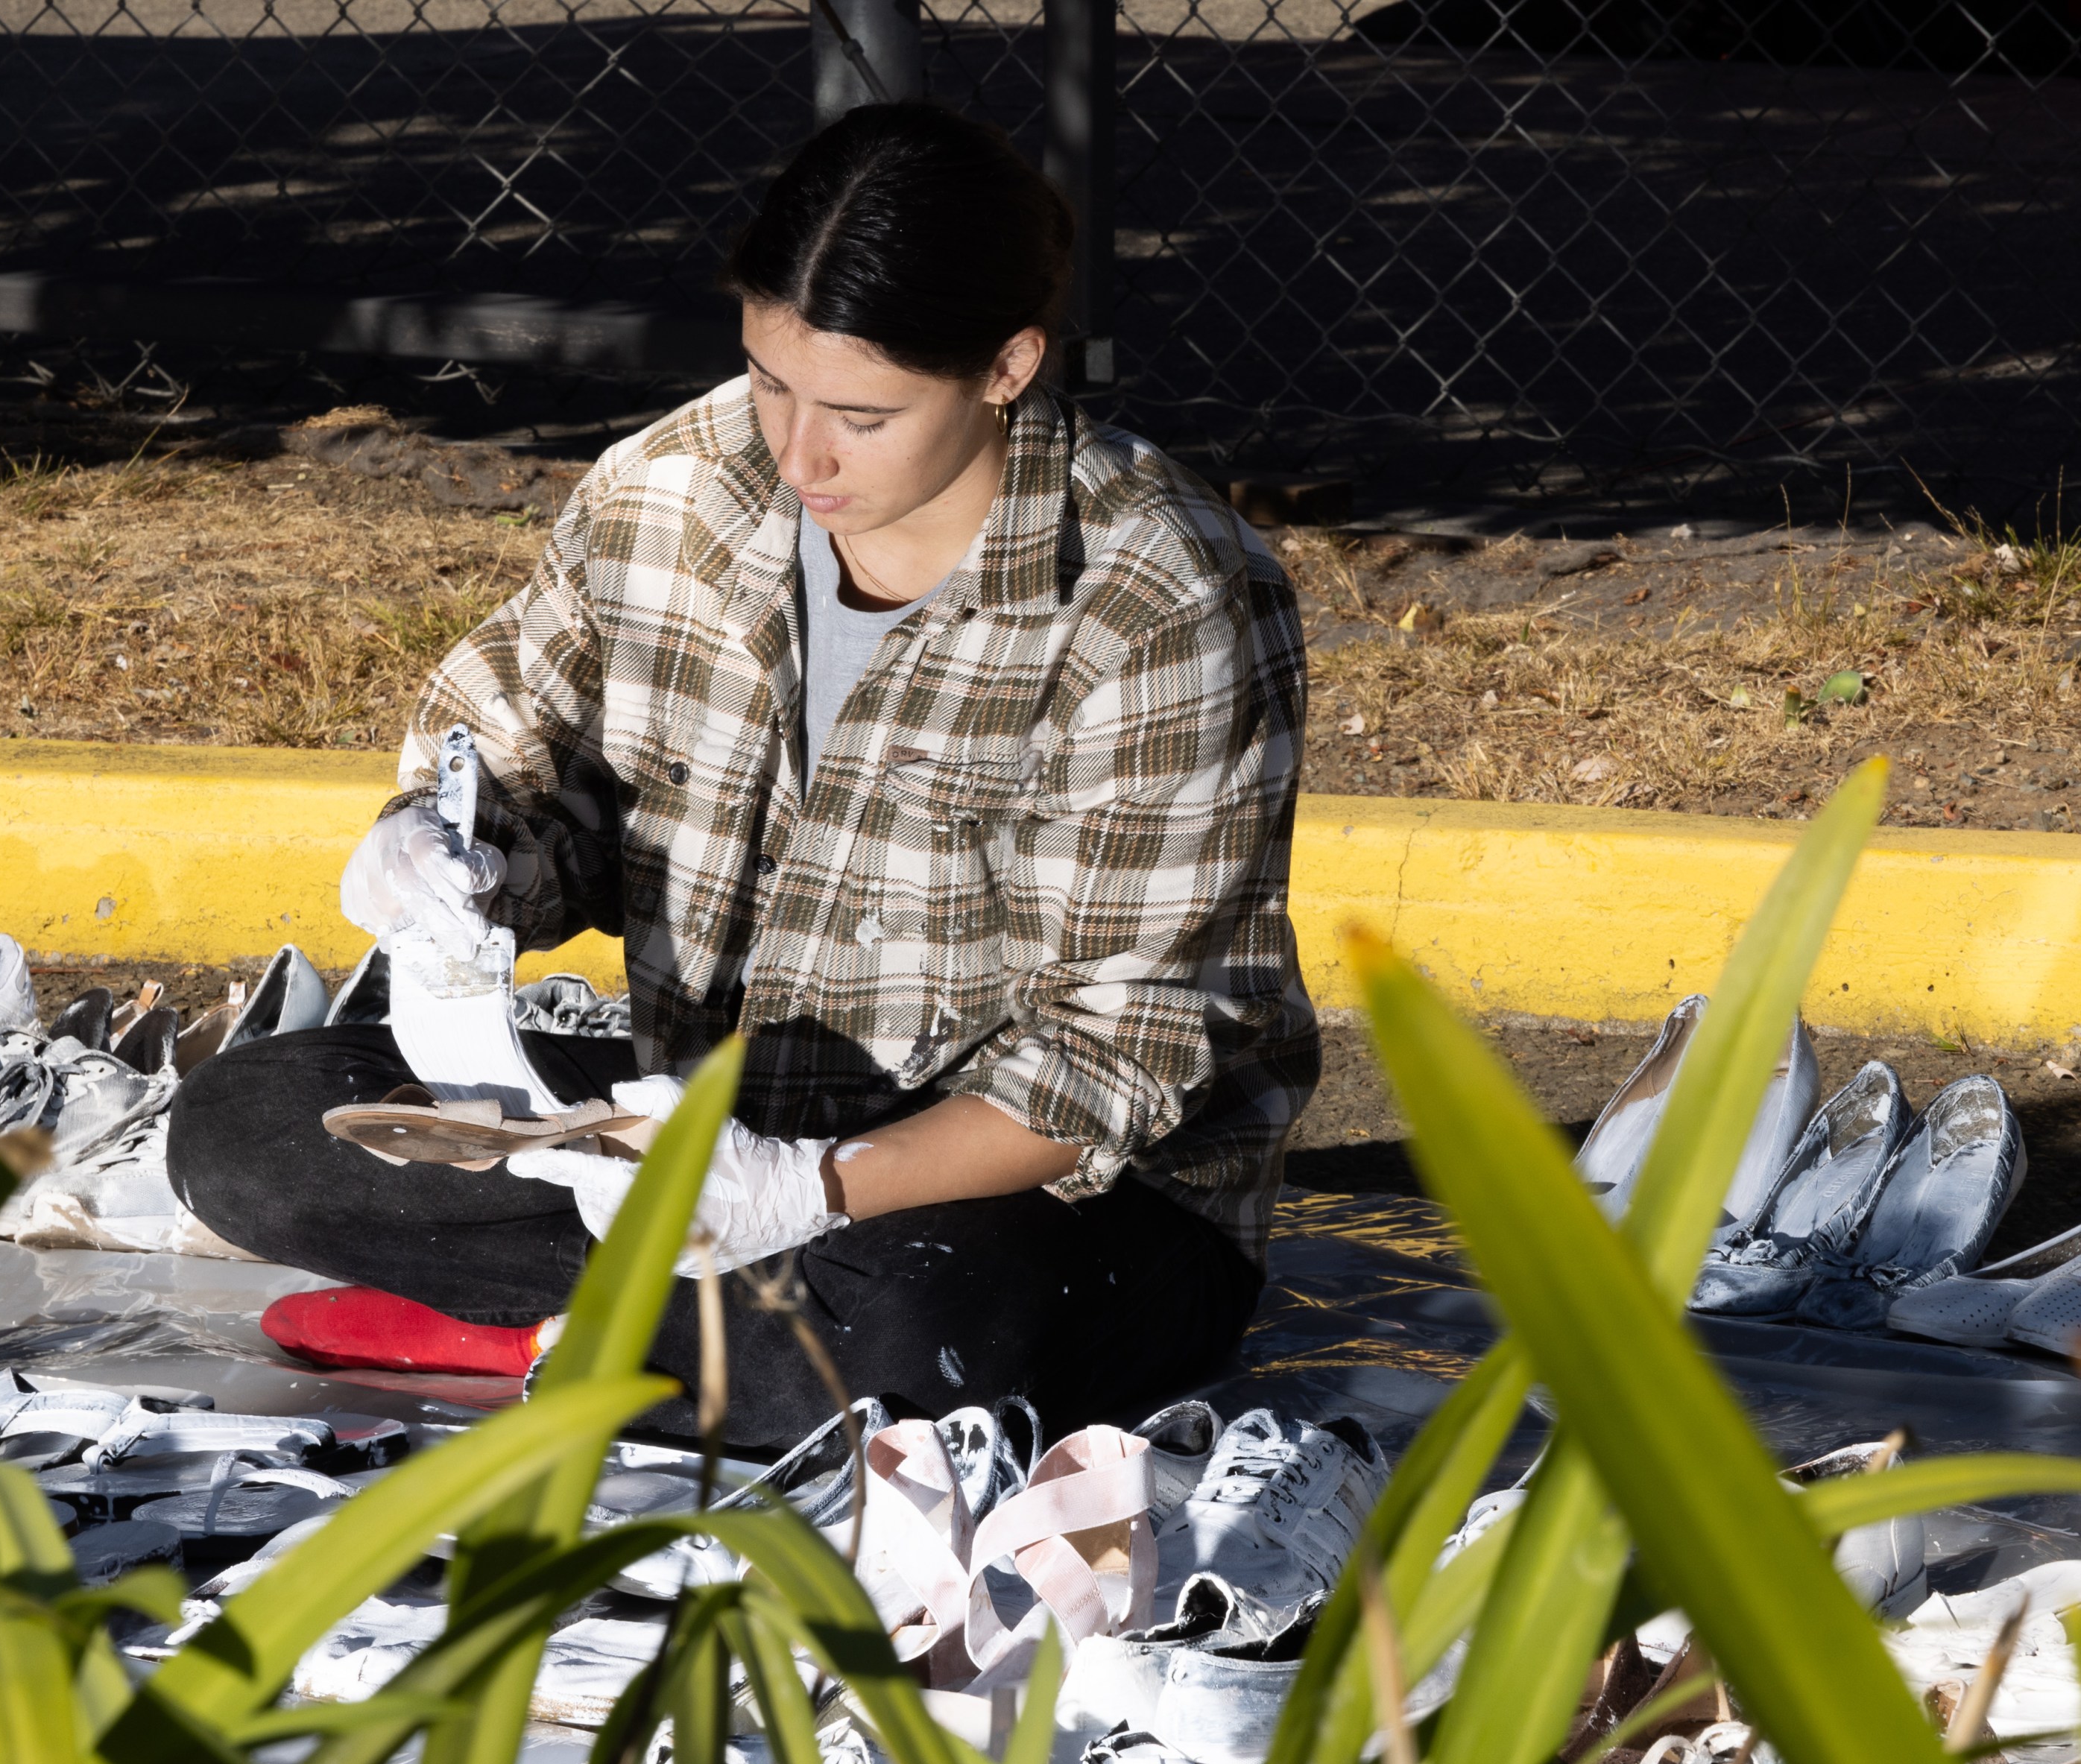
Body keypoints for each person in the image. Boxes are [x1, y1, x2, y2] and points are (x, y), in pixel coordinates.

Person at [165, 99, 1316, 1452]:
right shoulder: (670, 488)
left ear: (1008, 366)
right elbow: (540, 768)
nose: (798, 453)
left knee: (924, 1325)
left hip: (1035, 1198)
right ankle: (685, 1336)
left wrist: (815, 1185)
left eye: (864, 414)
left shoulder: (1157, 593)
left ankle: (577, 1330)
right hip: (698, 1128)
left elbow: (1125, 1048)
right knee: (243, 1128)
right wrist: (455, 848)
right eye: (773, 380)